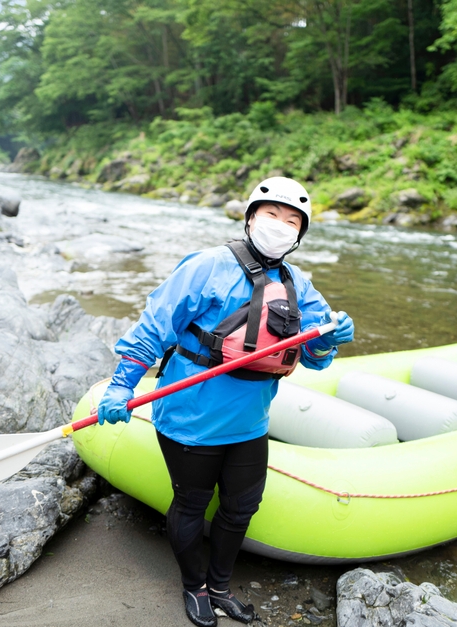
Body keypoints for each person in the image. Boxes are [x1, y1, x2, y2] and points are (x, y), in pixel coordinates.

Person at [95, 177, 355, 627]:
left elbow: (314, 357)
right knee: (192, 504)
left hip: (250, 421)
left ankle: (219, 587)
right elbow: (154, 326)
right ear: (250, 218)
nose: (280, 225)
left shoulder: (298, 284)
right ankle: (194, 587)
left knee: (241, 507)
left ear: (299, 235)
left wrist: (331, 339)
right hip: (191, 416)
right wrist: (122, 386)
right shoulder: (207, 266)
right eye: (271, 214)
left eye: (291, 221)